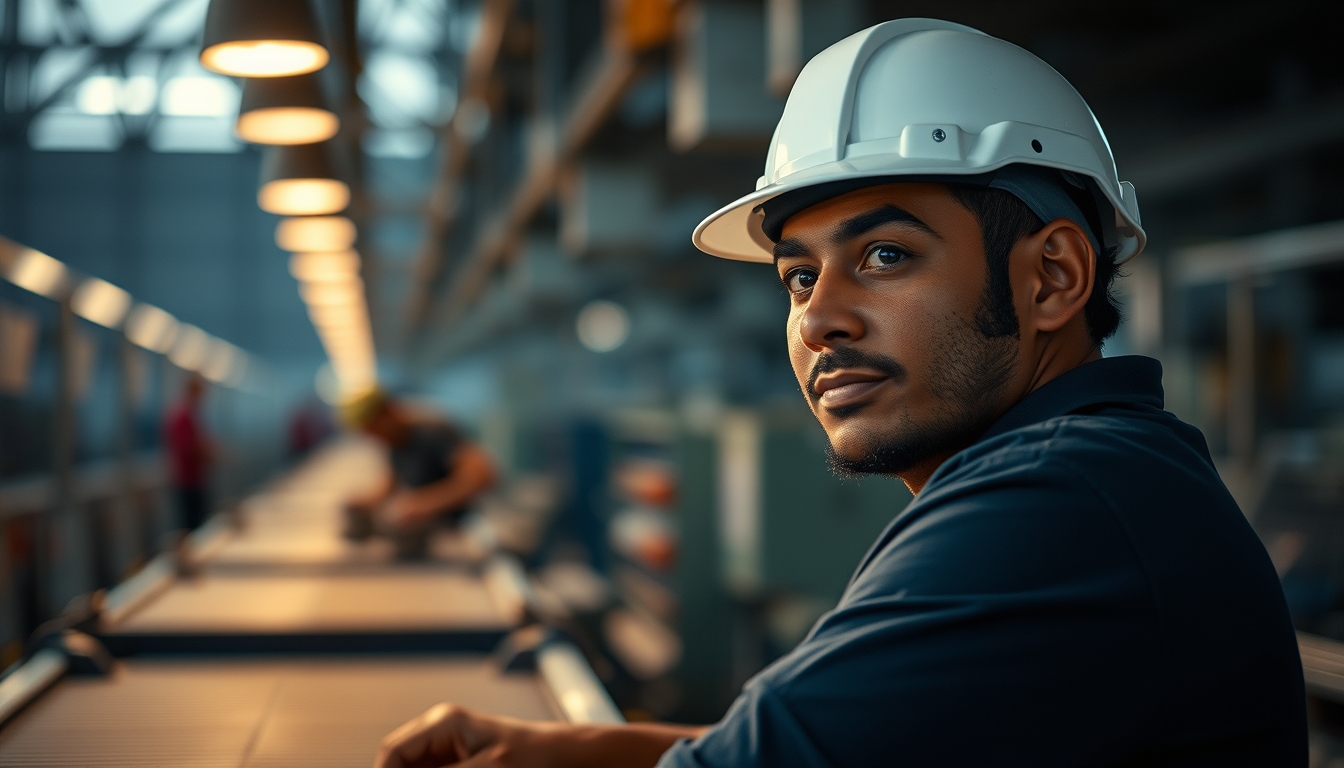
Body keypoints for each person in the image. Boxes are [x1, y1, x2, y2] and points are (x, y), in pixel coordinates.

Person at [374, 19, 1306, 768]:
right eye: (797, 278)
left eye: (885, 256)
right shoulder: (1104, 475)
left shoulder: (1057, 503)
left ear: (1053, 279)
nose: (821, 320)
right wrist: (570, 750)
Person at [340, 388, 497, 557]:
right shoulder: (396, 444)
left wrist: (427, 504)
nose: (375, 438)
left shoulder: (432, 432)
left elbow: (482, 476)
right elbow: (391, 483)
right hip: (438, 533)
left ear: (389, 411)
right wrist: (366, 503)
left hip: (468, 530)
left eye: (375, 429)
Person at [164, 373, 212, 531]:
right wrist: (210, 452)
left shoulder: (187, 413)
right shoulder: (183, 414)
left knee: (196, 523)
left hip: (193, 478)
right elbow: (187, 448)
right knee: (193, 525)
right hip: (188, 479)